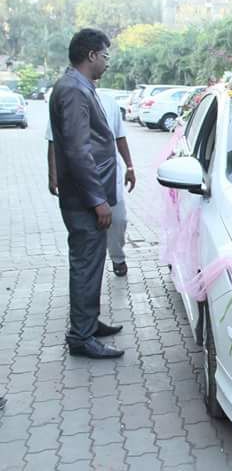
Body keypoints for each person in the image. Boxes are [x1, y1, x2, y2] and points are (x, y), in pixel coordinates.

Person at [49, 28, 125, 358]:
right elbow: (79, 151)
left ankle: (88, 322)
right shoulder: (73, 90)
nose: (108, 62)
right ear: (92, 55)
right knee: (85, 264)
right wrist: (98, 200)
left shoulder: (79, 86)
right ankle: (81, 337)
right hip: (85, 199)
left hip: (87, 195)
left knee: (91, 263)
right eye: (106, 55)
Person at [47, 89, 136, 277]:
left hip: (110, 178)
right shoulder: (65, 100)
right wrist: (53, 174)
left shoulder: (109, 102)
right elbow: (54, 141)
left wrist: (129, 167)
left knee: (118, 220)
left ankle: (117, 256)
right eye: (103, 57)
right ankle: (88, 272)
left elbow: (120, 137)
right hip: (78, 179)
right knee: (86, 227)